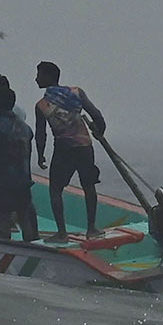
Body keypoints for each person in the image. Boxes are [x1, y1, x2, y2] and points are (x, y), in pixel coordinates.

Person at [34, 61, 106, 242]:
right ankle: (92, 229)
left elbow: (40, 134)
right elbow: (96, 115)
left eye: (39, 75)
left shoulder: (42, 105)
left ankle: (62, 233)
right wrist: (100, 132)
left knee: (55, 190)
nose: (36, 79)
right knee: (88, 186)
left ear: (49, 77)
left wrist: (40, 154)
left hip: (63, 150)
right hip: (85, 147)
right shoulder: (76, 93)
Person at [0, 87, 39, 241]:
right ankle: (33, 247)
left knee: (2, 218)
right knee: (25, 217)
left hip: (4, 183)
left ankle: (4, 249)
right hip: (23, 182)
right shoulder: (26, 129)